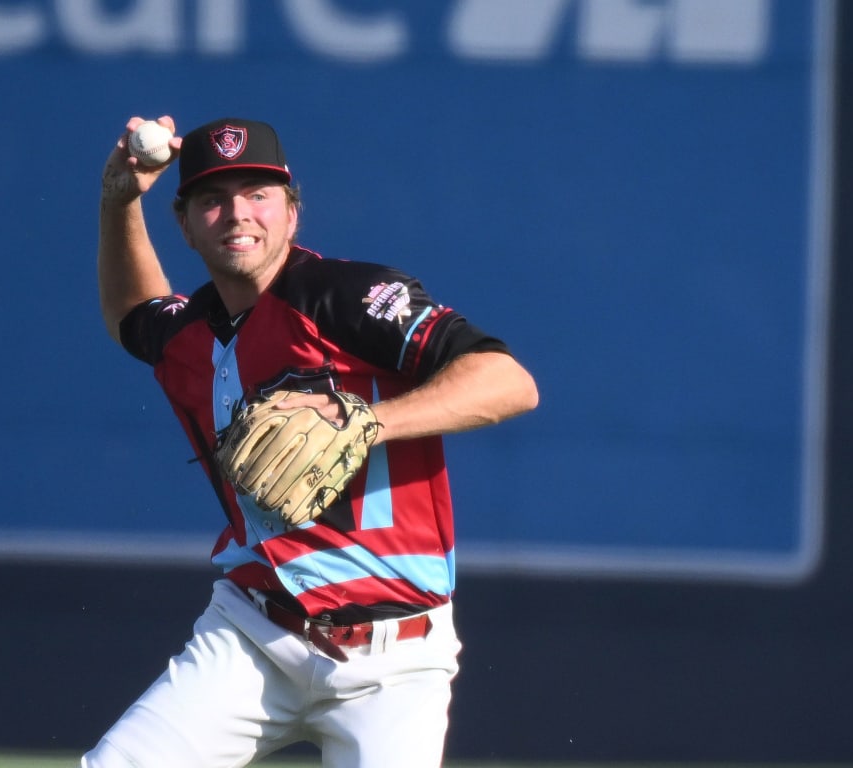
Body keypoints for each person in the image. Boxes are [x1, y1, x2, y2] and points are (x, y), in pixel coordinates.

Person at [82, 114, 539, 768]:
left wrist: (367, 422)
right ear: (184, 225)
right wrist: (121, 199)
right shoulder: (191, 336)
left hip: (394, 659)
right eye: (213, 200)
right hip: (251, 634)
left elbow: (509, 381)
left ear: (292, 214)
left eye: (258, 195)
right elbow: (132, 315)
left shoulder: (346, 298)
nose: (238, 214)